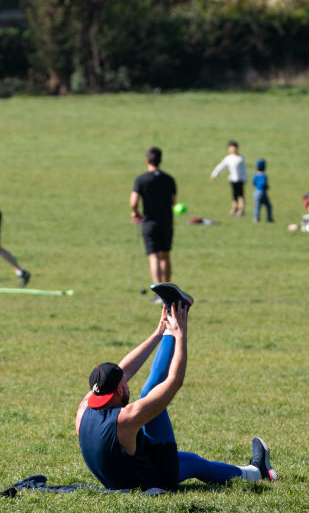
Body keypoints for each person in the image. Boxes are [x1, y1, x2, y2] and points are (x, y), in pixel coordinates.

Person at [76, 283, 276, 491]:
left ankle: (254, 471)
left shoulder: (84, 409)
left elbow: (123, 371)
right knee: (153, 394)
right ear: (118, 390)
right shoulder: (126, 419)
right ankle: (257, 473)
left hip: (123, 473)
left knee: (194, 461)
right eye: (124, 384)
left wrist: (159, 332)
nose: (127, 383)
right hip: (150, 480)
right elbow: (173, 381)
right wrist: (180, 335)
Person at [130, 147, 177, 302]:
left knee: (153, 257)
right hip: (166, 222)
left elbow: (134, 202)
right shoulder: (169, 179)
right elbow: (173, 202)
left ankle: (159, 294)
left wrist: (136, 212)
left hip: (149, 222)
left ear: (147, 160)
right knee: (165, 255)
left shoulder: (141, 180)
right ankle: (168, 292)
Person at [210, 139, 247, 216]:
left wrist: (245, 178)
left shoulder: (240, 158)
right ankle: (235, 208)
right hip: (232, 179)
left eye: (234, 147)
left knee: (241, 195)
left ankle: (241, 209)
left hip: (240, 179)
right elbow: (221, 166)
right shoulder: (228, 158)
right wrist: (214, 174)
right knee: (234, 195)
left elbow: (244, 169)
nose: (232, 149)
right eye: (230, 148)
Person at [252, 158, 274, 223]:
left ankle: (256, 218)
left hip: (256, 192)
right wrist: (267, 187)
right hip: (262, 193)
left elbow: (253, 183)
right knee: (268, 206)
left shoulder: (255, 175)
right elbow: (263, 184)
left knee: (257, 206)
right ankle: (269, 218)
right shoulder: (264, 175)